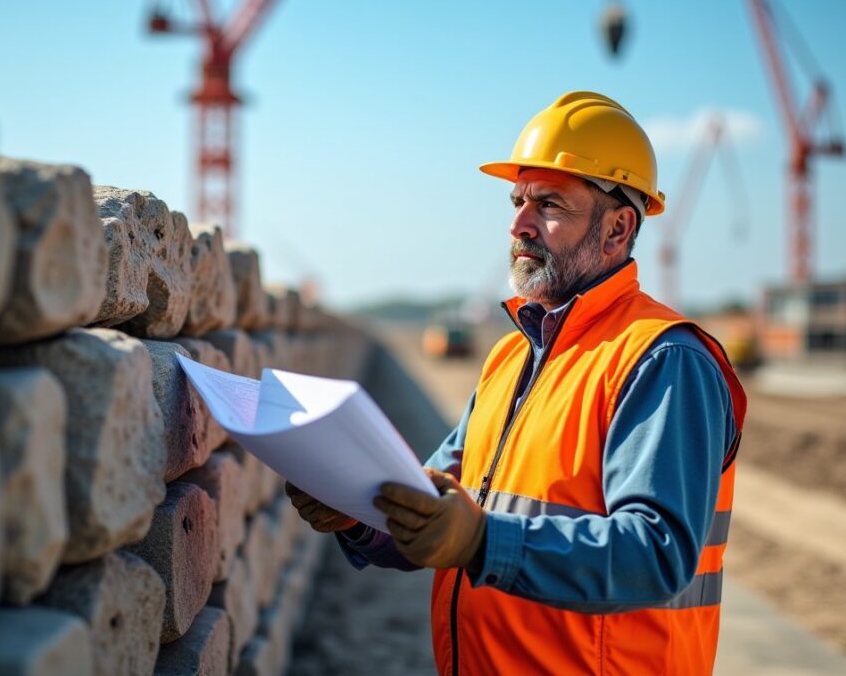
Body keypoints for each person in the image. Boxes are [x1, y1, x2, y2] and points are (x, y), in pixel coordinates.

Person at [285, 91, 747, 675]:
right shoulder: (511, 358)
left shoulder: (663, 359)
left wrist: (481, 543)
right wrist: (355, 510)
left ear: (617, 227)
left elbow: (654, 555)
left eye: (548, 204)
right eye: (518, 201)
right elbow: (435, 515)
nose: (518, 224)